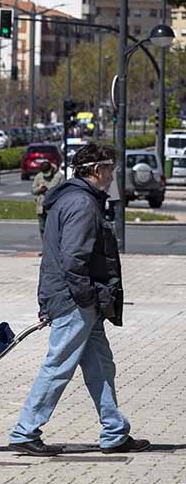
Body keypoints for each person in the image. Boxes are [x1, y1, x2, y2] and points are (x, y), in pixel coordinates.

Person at [9, 142, 149, 457]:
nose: (113, 176)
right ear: (97, 170)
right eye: (111, 170)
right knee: (58, 365)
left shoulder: (73, 198)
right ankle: (25, 431)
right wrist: (87, 297)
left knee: (101, 366)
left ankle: (114, 431)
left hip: (82, 298)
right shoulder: (82, 204)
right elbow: (74, 258)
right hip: (75, 299)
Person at [32, 160, 63, 241]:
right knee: (43, 228)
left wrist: (49, 189)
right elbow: (33, 191)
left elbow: (63, 190)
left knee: (55, 228)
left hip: (54, 206)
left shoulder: (59, 176)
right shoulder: (39, 176)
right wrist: (40, 189)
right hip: (41, 207)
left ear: (51, 169)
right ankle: (45, 245)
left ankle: (55, 245)